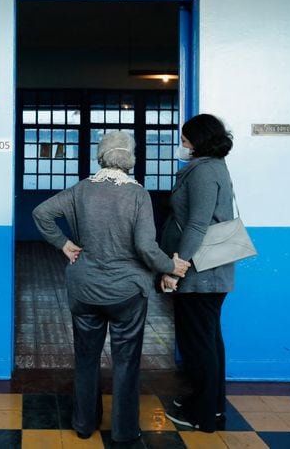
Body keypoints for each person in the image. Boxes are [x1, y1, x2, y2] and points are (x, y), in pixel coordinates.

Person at [32, 131, 190, 443]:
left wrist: (62, 243)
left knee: (86, 358)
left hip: (84, 288)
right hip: (127, 292)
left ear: (100, 155)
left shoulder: (81, 190)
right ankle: (124, 431)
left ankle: (83, 424)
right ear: (131, 158)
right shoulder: (137, 194)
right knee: (126, 362)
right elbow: (145, 246)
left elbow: (42, 213)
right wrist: (171, 266)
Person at [158, 114, 236, 433]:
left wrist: (177, 268)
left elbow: (197, 224)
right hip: (208, 270)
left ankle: (203, 415)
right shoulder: (213, 166)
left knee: (199, 343)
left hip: (201, 272)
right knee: (208, 339)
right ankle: (210, 405)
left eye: (186, 140)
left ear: (198, 141)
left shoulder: (204, 172)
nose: (183, 145)